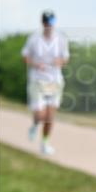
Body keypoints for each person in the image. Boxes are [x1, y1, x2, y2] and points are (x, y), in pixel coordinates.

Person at [21, 10, 69, 156]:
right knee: (40, 115)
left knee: (50, 116)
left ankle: (45, 142)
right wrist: (35, 64)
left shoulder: (61, 39)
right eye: (47, 22)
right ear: (43, 23)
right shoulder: (34, 39)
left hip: (54, 81)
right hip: (37, 80)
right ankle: (35, 124)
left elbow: (65, 58)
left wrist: (58, 62)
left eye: (51, 22)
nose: (49, 25)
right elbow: (25, 56)